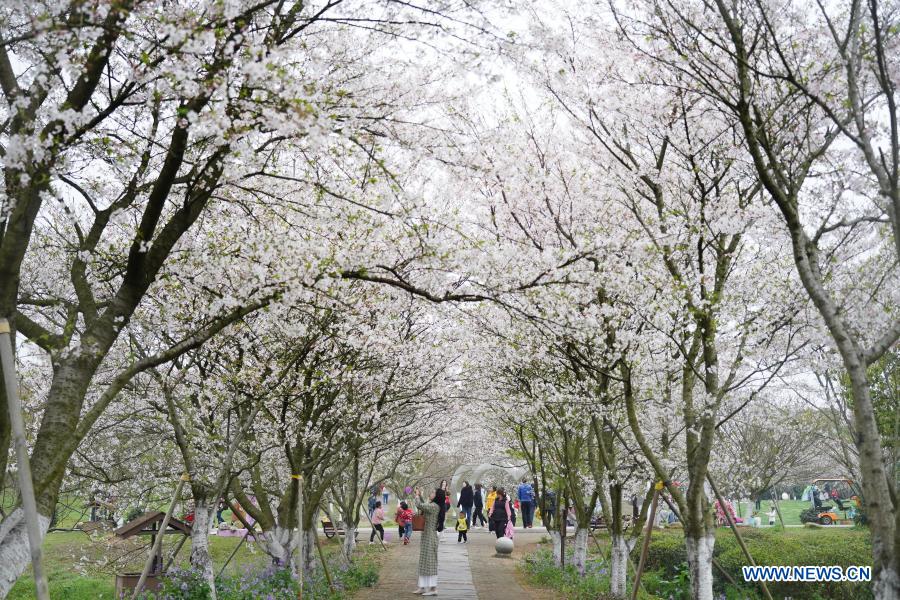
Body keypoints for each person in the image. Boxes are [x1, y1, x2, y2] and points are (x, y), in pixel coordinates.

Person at [413, 487, 443, 596]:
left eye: (433, 492)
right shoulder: (432, 505)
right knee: (424, 562)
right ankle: (422, 587)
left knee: (430, 562)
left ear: (437, 496)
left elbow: (420, 505)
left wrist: (417, 495)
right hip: (427, 536)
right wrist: (420, 495)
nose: (431, 493)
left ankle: (433, 588)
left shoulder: (435, 507)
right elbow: (423, 505)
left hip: (430, 537)